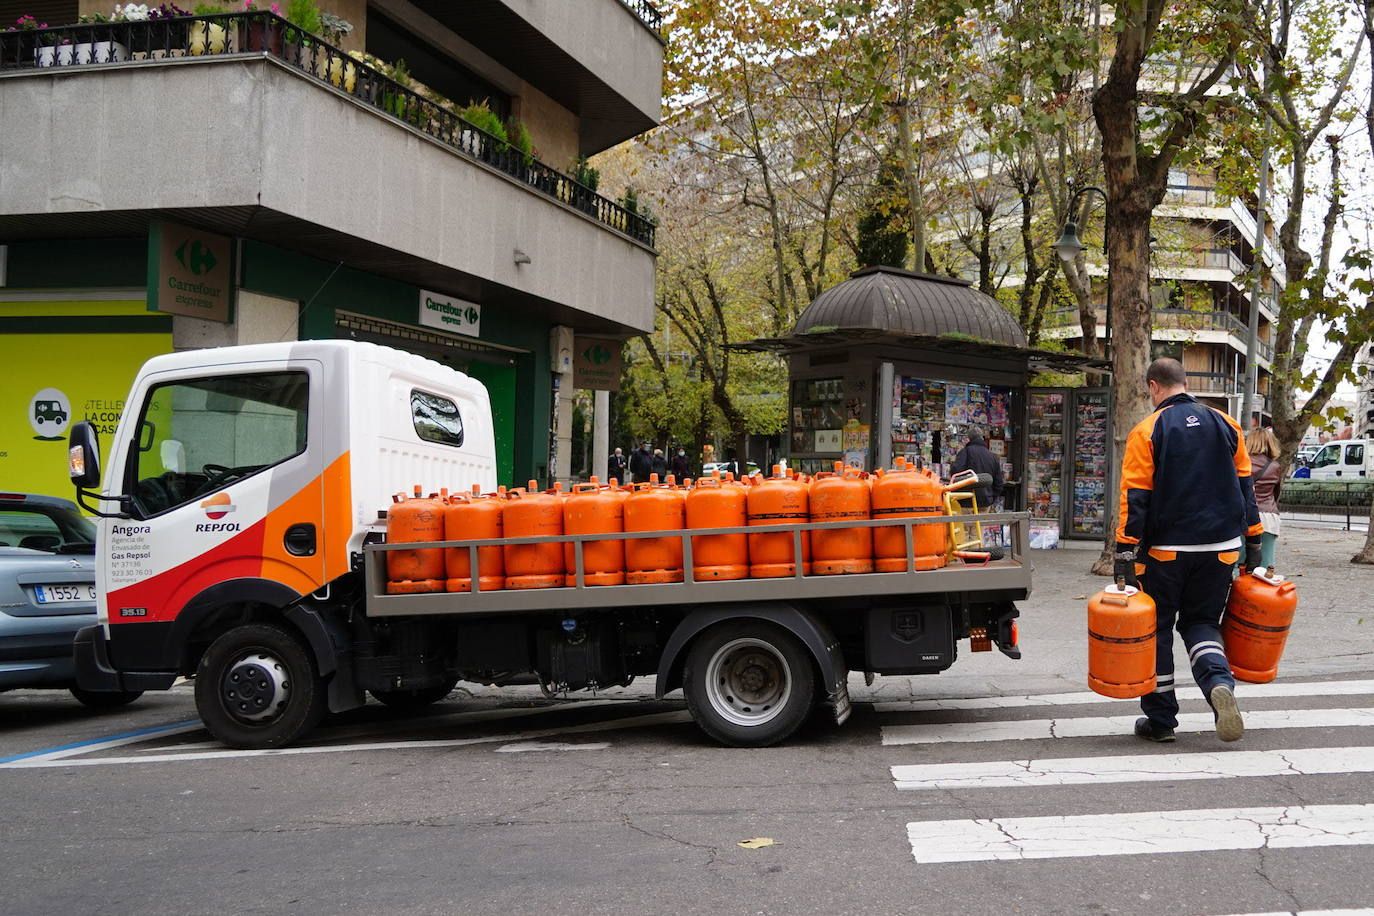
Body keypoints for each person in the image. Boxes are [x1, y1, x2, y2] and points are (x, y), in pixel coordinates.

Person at [1115, 358, 1262, 744]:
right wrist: (1255, 542)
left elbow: (1136, 497)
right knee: (1201, 624)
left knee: (1156, 629)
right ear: (1184, 382)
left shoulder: (1147, 430)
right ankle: (1219, 684)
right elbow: (1246, 489)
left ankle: (1161, 720)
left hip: (1166, 552)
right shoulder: (1227, 424)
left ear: (1153, 387)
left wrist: (1125, 551)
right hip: (1223, 549)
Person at [1244, 427, 1283, 570]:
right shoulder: (1275, 466)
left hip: (1243, 516)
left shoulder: (1240, 464)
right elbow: (1276, 494)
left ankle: (1240, 592)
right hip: (1268, 519)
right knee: (1265, 567)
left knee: (1239, 564)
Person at [950, 429, 1004, 509]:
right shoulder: (992, 456)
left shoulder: (965, 452)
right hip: (985, 502)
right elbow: (999, 483)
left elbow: (955, 473)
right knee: (982, 521)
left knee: (966, 521)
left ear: (969, 439)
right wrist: (991, 499)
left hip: (967, 501)